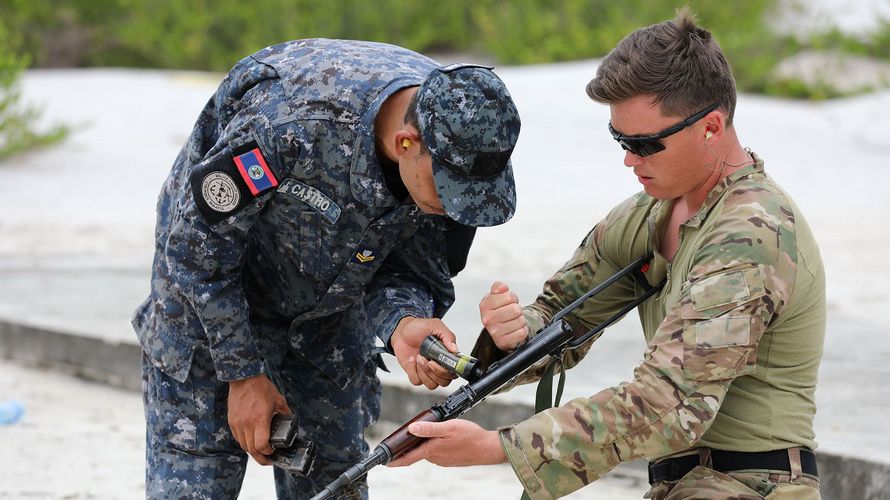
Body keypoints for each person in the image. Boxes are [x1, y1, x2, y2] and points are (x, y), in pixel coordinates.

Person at [389, 8, 825, 500]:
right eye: (620, 139)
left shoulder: (751, 232)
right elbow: (562, 315)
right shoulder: (653, 213)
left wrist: (500, 447)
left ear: (712, 127)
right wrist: (512, 335)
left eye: (646, 143)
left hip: (753, 485)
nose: (629, 159)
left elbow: (667, 403)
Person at [131, 38, 521, 499]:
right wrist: (241, 373)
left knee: (334, 484)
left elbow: (412, 271)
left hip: (328, 320)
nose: (454, 208)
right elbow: (196, 249)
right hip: (209, 304)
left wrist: (405, 323)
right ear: (405, 144)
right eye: (448, 192)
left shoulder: (464, 140)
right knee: (194, 483)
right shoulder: (290, 121)